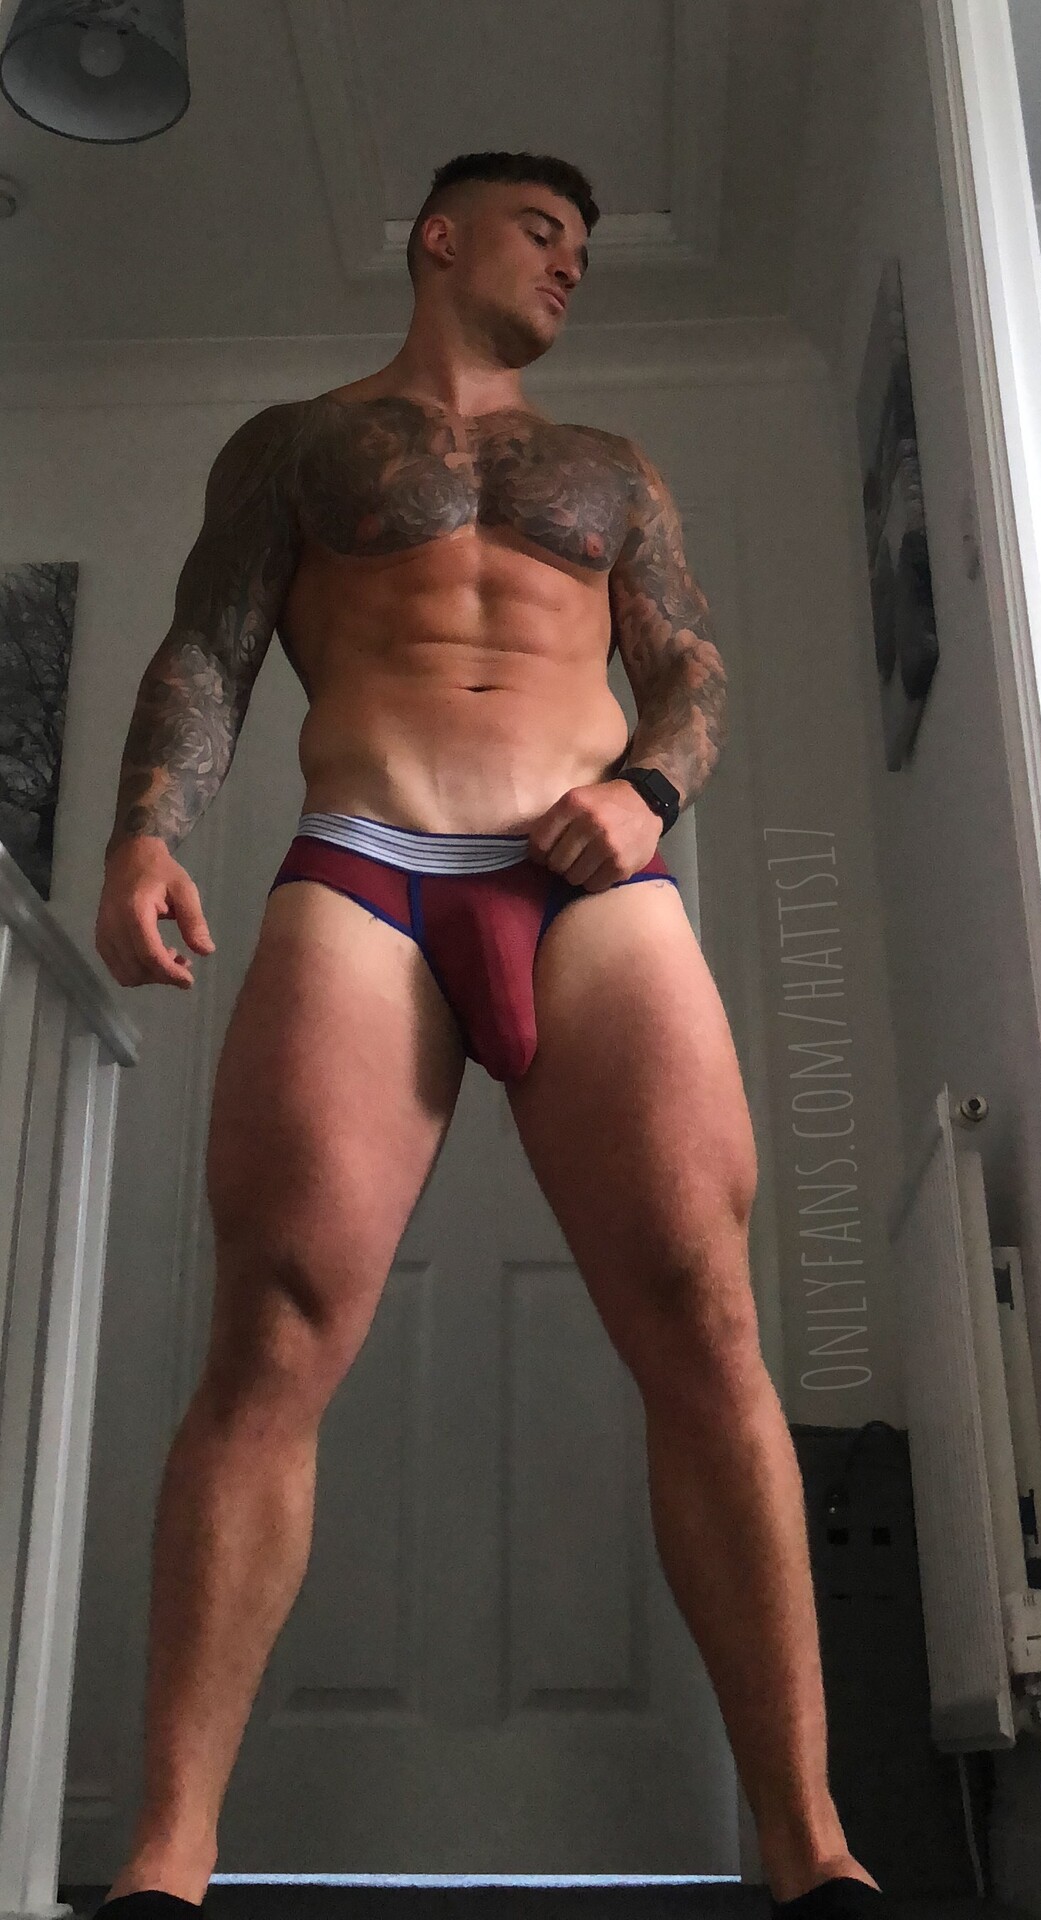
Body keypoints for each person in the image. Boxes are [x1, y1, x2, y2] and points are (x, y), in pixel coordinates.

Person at [92, 152, 886, 1920]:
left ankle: (808, 1844)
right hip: (366, 863)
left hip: (586, 872)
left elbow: (691, 673)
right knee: (272, 1329)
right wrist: (146, 831)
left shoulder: (610, 468)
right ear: (440, 238)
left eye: (585, 248)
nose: (572, 266)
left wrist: (647, 790)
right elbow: (207, 651)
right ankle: (166, 1859)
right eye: (544, 233)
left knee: (704, 1311)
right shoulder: (298, 444)